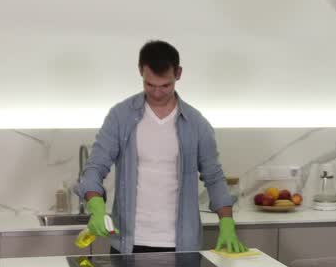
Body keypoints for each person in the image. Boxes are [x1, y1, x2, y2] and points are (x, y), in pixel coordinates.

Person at [77, 40, 246, 255]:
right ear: (140, 71)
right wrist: (95, 205)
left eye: (165, 85)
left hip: (181, 245)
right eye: (150, 85)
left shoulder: (196, 123)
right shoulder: (120, 116)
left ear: (178, 74)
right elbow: (95, 166)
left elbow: (214, 177)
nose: (157, 93)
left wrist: (227, 223)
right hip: (127, 242)